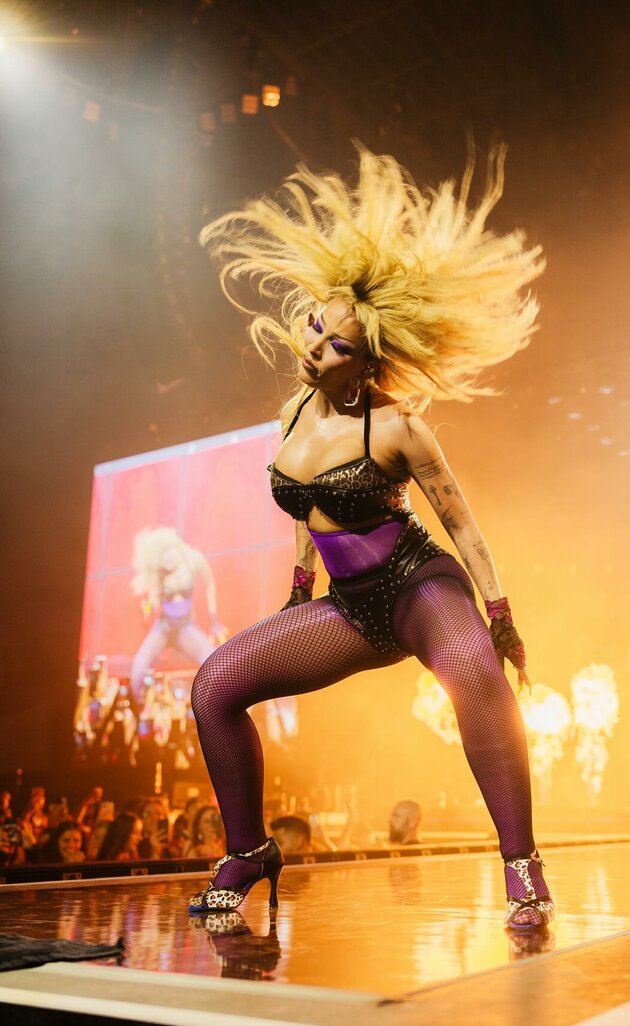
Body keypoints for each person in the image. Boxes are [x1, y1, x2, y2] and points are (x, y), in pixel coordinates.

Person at [188, 145, 553, 932]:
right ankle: (247, 852)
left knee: (475, 678)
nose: (314, 346)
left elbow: (461, 522)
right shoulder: (293, 412)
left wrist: (499, 614)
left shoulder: (396, 428)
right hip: (351, 608)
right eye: (315, 329)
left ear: (366, 363)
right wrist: (298, 588)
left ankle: (522, 865)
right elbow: (304, 504)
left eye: (336, 345)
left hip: (419, 586)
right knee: (214, 685)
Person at [129, 527, 228, 702]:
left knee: (216, 665)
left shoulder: (193, 559)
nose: (166, 563)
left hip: (185, 627)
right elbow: (153, 602)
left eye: (167, 557)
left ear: (175, 547)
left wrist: (214, 620)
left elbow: (210, 584)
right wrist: (147, 609)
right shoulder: (161, 571)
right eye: (161, 560)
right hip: (163, 627)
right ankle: (141, 711)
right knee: (137, 670)